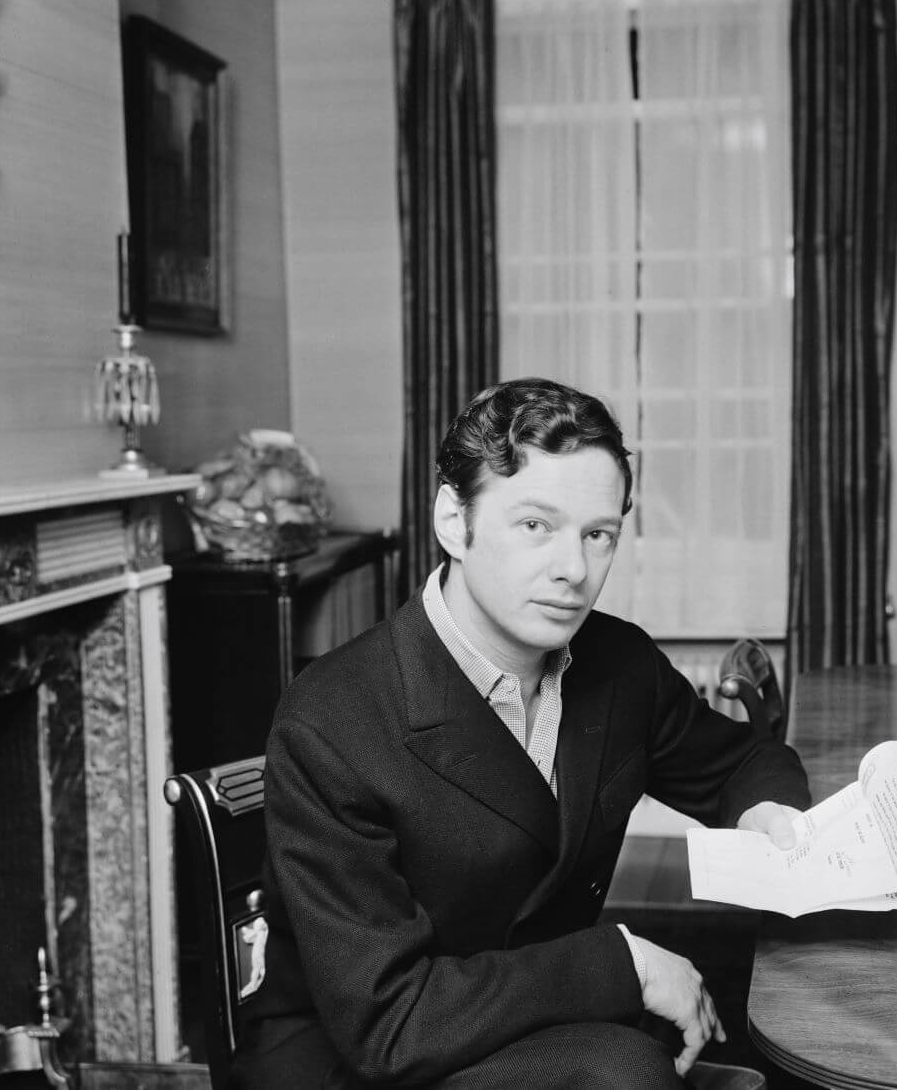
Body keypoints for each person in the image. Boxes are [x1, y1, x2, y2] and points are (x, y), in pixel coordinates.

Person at [231, 378, 811, 1089]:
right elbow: (387, 1023)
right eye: (535, 525)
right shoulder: (331, 721)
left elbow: (741, 761)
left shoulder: (619, 662)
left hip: (519, 1012)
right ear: (453, 519)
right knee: (625, 1072)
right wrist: (621, 965)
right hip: (363, 1052)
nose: (574, 570)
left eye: (597, 535)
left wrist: (766, 813)